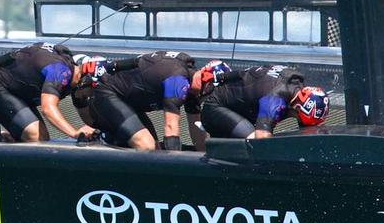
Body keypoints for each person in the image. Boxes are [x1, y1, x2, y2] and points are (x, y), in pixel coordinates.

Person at [89, 51, 218, 151]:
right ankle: (104, 138)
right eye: (211, 91)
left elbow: (198, 134)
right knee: (146, 145)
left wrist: (204, 154)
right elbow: (170, 127)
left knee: (155, 149)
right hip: (108, 94)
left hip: (128, 101)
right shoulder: (178, 80)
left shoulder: (194, 87)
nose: (207, 97)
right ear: (206, 80)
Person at [0, 42, 95, 142]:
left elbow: (87, 116)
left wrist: (96, 130)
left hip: (18, 93)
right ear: (85, 81)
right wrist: (75, 133)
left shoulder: (77, 77)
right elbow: (48, 109)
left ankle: (8, 137)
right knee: (36, 136)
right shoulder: (60, 71)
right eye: (92, 92)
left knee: (43, 138)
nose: (91, 96)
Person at [199, 64, 329, 139]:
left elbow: (247, 73)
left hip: (239, 103)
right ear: (297, 108)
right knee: (253, 140)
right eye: (300, 120)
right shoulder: (274, 101)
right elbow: (262, 140)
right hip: (215, 107)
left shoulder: (295, 81)